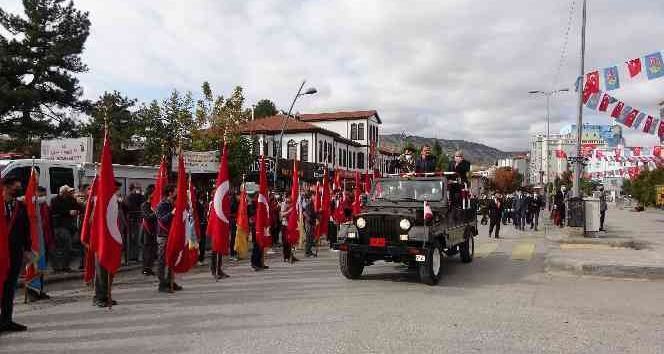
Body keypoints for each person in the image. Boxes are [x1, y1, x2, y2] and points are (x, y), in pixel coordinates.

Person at [1, 177, 32, 332]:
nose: (18, 190)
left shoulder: (20, 206)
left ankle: (6, 320)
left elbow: (26, 228)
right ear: (5, 187)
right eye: (15, 187)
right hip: (0, 252)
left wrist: (27, 248)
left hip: (15, 251)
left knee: (10, 286)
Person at [26, 186, 53, 301]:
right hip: (34, 242)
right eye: (40, 194)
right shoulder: (31, 207)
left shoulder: (45, 206)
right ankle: (32, 292)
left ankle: (40, 290)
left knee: (42, 267)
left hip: (44, 239)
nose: (42, 196)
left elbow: (48, 224)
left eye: (44, 194)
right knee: (34, 266)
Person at [49, 185, 82, 272]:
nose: (71, 193)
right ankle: (59, 267)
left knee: (66, 247)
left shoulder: (72, 199)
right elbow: (56, 210)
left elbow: (78, 208)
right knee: (63, 246)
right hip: (59, 226)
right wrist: (68, 212)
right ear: (64, 193)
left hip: (69, 226)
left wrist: (77, 209)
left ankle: (64, 266)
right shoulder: (55, 200)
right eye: (69, 192)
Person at [156, 184, 182, 292]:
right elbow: (162, 220)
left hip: (172, 234)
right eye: (175, 191)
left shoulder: (173, 203)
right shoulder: (162, 204)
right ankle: (162, 284)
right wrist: (172, 213)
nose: (177, 193)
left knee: (172, 258)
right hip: (164, 236)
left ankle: (170, 280)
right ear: (170, 193)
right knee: (162, 260)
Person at [124, 184, 145, 263]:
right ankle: (133, 256)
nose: (139, 190)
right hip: (134, 219)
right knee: (134, 238)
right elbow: (141, 203)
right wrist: (141, 194)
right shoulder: (132, 196)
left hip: (133, 219)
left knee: (134, 239)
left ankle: (133, 256)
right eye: (138, 188)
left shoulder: (132, 196)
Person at [140, 185, 157, 276]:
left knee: (153, 251)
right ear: (149, 194)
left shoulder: (154, 204)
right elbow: (147, 217)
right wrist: (156, 212)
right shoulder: (144, 205)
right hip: (146, 231)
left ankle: (150, 267)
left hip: (154, 230)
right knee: (146, 251)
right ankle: (145, 268)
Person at [303, 191, 318, 257]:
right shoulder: (309, 203)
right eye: (314, 196)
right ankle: (307, 252)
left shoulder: (311, 203)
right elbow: (306, 213)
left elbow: (313, 213)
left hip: (311, 222)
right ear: (311, 196)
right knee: (309, 237)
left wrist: (318, 214)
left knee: (311, 237)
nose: (315, 197)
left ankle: (309, 250)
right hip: (309, 223)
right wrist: (309, 218)